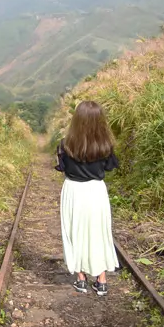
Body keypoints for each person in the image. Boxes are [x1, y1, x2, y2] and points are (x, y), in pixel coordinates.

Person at [54, 100, 120, 296]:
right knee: (98, 233)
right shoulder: (106, 144)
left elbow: (62, 167)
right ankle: (101, 281)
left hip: (73, 191)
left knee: (75, 233)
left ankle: (81, 279)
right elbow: (109, 167)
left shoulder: (66, 144)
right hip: (96, 192)